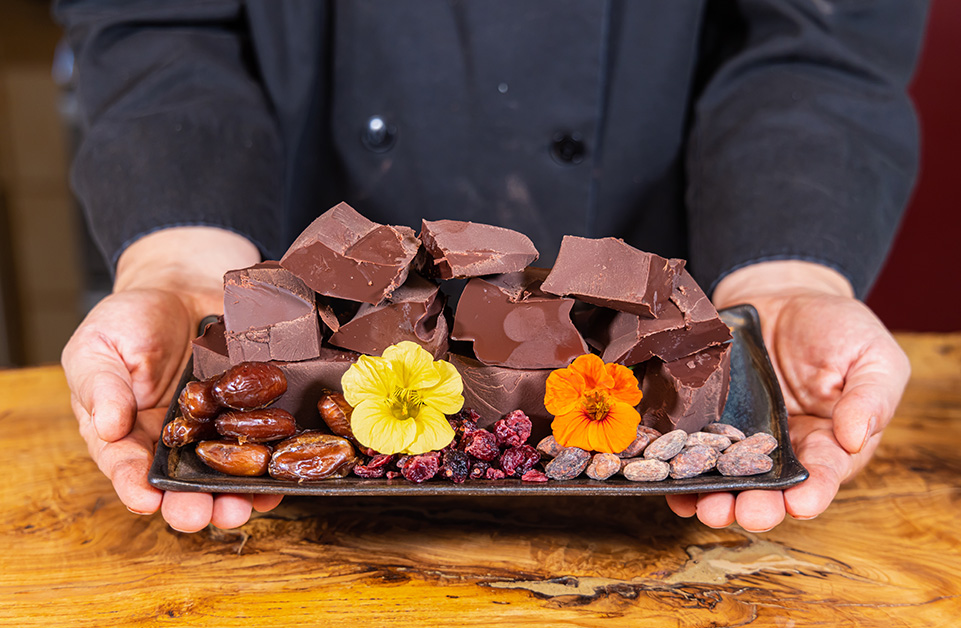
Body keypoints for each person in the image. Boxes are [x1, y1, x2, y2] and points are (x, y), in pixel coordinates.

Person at [55, 0, 924, 533]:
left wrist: (788, 280)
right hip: (288, 234)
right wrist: (178, 265)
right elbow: (157, 23)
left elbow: (821, 36)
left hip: (649, 261)